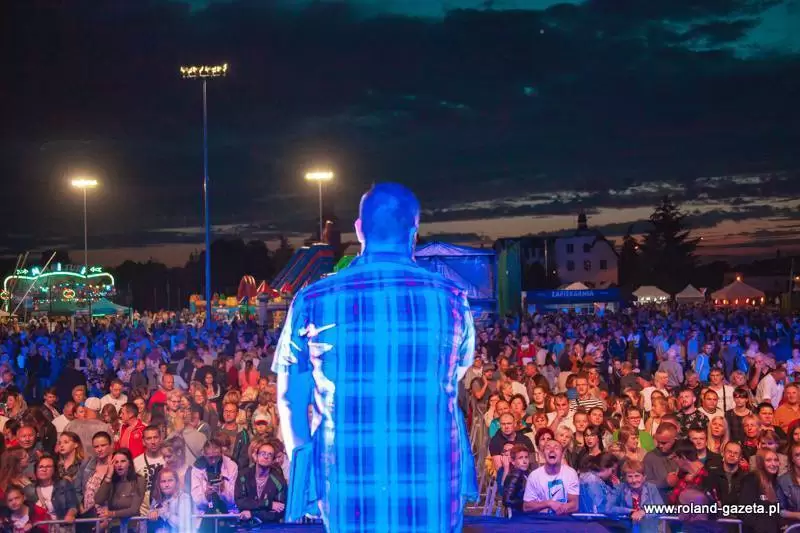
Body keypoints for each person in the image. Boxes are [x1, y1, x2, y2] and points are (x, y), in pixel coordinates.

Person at [273, 183, 476, 532]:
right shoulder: (453, 299)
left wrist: (306, 475)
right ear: (414, 232)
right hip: (434, 484)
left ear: (359, 229)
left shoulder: (312, 300)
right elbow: (455, 374)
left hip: (343, 485)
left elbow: (290, 399)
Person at [522, 440, 579, 514]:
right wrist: (548, 503)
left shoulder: (571, 473)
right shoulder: (534, 476)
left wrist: (560, 509)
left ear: (562, 454)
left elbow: (574, 505)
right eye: (548, 448)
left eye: (556, 448)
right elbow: (526, 506)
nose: (552, 450)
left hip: (564, 518)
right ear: (543, 454)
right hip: (541, 519)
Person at [146, 468, 192, 533]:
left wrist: (164, 513)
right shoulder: (157, 498)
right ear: (158, 484)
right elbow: (150, 518)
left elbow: (184, 523)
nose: (167, 485)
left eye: (170, 480)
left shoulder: (183, 497)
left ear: (176, 482)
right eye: (163, 481)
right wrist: (151, 514)